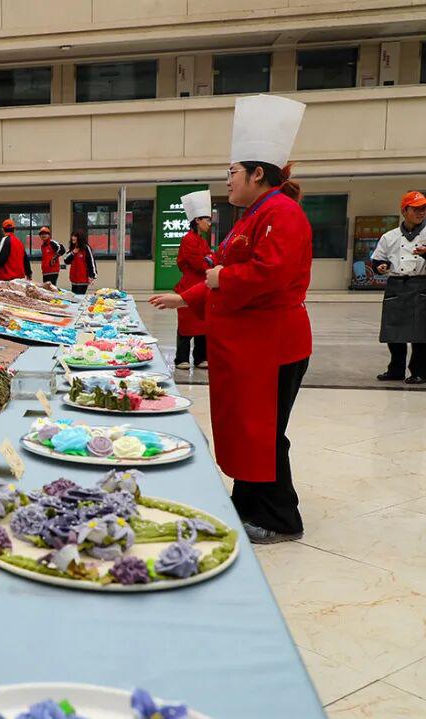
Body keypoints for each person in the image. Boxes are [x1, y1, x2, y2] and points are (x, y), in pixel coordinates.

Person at [150, 94, 312, 544]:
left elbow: (269, 272)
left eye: (232, 172)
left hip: (271, 344)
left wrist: (221, 278)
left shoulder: (282, 212)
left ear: (258, 173)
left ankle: (280, 518)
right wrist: (186, 298)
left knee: (264, 431)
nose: (227, 181)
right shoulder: (252, 215)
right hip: (250, 344)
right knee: (247, 428)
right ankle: (248, 504)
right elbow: (221, 271)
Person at [371, 190, 426, 384]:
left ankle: (419, 371)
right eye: (416, 209)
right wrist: (380, 266)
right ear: (404, 211)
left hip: (421, 285)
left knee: (420, 333)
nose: (421, 212)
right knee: (393, 331)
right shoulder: (389, 237)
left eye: (423, 209)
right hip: (396, 285)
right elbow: (377, 260)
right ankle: (396, 370)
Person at [174, 190, 212, 370]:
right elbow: (199, 262)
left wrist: (209, 260)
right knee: (186, 323)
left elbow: (209, 259)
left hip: (203, 286)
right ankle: (181, 358)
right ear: (197, 220)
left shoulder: (202, 240)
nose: (209, 224)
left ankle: (200, 357)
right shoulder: (188, 239)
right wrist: (209, 261)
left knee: (203, 323)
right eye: (207, 220)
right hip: (189, 286)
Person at [63, 229, 96, 294]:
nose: (73, 238)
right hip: (73, 279)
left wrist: (92, 276)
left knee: (79, 298)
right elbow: (66, 261)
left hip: (83, 280)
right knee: (74, 298)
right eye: (72, 236)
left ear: (80, 238)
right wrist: (73, 253)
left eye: (75, 236)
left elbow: (91, 262)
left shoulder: (86, 248)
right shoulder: (72, 248)